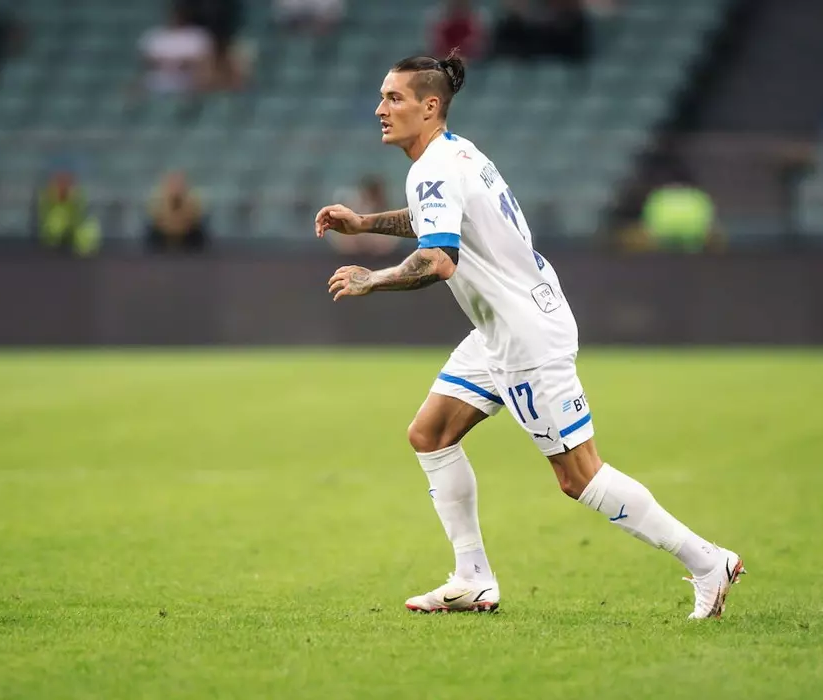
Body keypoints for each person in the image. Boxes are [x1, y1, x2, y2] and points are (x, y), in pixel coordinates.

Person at [313, 51, 743, 619]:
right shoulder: (456, 154)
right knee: (430, 434)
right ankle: (472, 579)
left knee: (578, 475)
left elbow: (438, 258)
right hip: (502, 326)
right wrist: (366, 223)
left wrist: (373, 278)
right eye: (382, 97)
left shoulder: (434, 167)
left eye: (394, 98)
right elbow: (435, 218)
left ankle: (709, 562)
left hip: (523, 337)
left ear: (430, 105)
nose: (380, 109)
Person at [145, 171, 208, 252]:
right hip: (163, 234)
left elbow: (195, 218)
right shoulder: (157, 199)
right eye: (173, 184)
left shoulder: (193, 199)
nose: (176, 187)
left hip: (188, 233)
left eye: (178, 184)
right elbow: (155, 218)